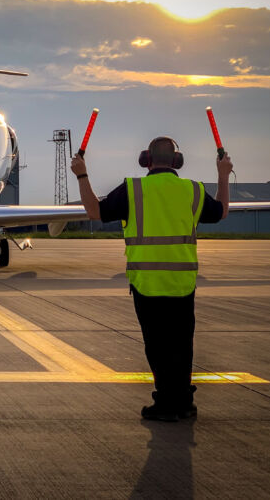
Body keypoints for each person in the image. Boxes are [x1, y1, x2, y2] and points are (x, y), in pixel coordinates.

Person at [70, 137, 233, 422]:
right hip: (183, 283)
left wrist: (82, 174)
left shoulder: (133, 190)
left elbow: (95, 211)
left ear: (146, 160)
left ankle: (166, 404)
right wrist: (222, 175)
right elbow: (220, 212)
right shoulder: (192, 190)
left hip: (147, 282)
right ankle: (183, 401)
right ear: (176, 162)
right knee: (182, 345)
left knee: (157, 346)